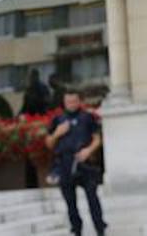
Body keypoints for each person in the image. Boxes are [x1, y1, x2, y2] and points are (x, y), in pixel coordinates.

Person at [46, 89, 106, 236]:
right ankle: (77, 230)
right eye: (68, 102)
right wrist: (56, 134)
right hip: (65, 163)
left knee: (93, 198)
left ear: (79, 101)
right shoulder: (58, 120)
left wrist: (88, 150)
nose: (71, 104)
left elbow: (98, 138)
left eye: (74, 101)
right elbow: (48, 143)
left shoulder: (88, 117)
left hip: (85, 163)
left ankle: (100, 228)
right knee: (70, 202)